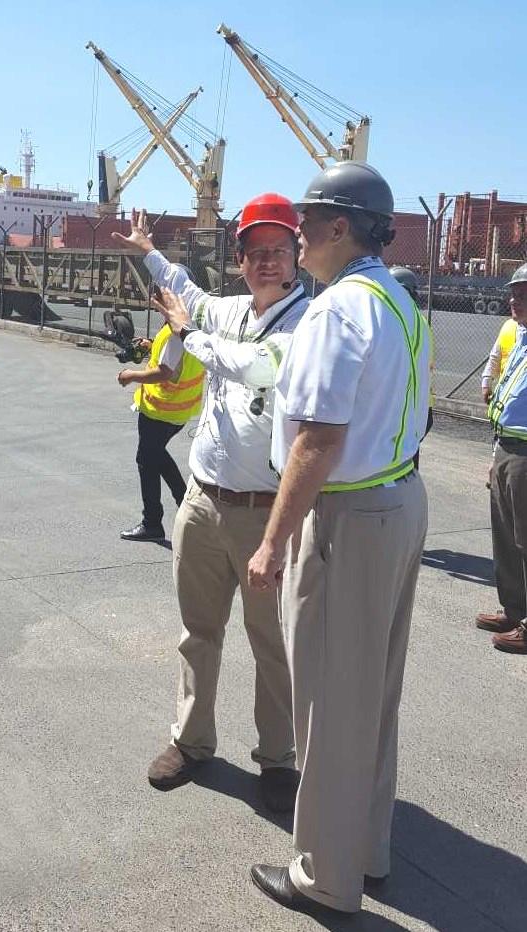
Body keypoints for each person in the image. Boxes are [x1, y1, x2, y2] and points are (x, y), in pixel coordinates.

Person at [247, 161, 430, 915]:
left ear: (334, 227)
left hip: (350, 517)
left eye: (304, 221)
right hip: (399, 501)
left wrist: (269, 542)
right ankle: (369, 850)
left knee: (326, 701)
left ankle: (323, 875)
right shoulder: (398, 300)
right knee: (372, 695)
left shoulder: (333, 311)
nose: (295, 234)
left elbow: (317, 441)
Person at [112, 198, 309, 811]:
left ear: (298, 256)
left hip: (263, 510)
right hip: (203, 498)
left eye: (279, 249)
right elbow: (186, 292)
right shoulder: (228, 309)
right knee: (198, 631)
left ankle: (277, 758)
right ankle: (192, 741)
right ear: (242, 260)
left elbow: (253, 368)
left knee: (270, 640)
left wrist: (190, 332)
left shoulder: (306, 323)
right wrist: (150, 254)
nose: (268, 261)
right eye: (256, 251)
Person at [117, 287, 205, 542]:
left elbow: (166, 372)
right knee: (157, 457)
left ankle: (152, 522)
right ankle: (188, 509)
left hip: (162, 410)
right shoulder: (187, 326)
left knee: (147, 460)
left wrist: (129, 376)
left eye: (158, 295)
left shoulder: (176, 334)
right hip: (177, 410)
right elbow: (175, 359)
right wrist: (152, 344)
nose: (153, 300)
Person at [475, 262, 527, 654]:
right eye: (514, 293)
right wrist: (497, 451)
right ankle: (514, 609)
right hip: (508, 446)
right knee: (507, 538)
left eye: (523, 294)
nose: (514, 300)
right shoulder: (519, 337)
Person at [389, 266, 434, 469]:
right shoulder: (419, 320)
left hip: (404, 408)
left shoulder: (400, 320)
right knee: (408, 463)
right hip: (421, 408)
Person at [481, 316, 519, 404]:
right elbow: (495, 356)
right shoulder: (509, 326)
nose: (513, 302)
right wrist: (486, 383)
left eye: (522, 301)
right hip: (506, 393)